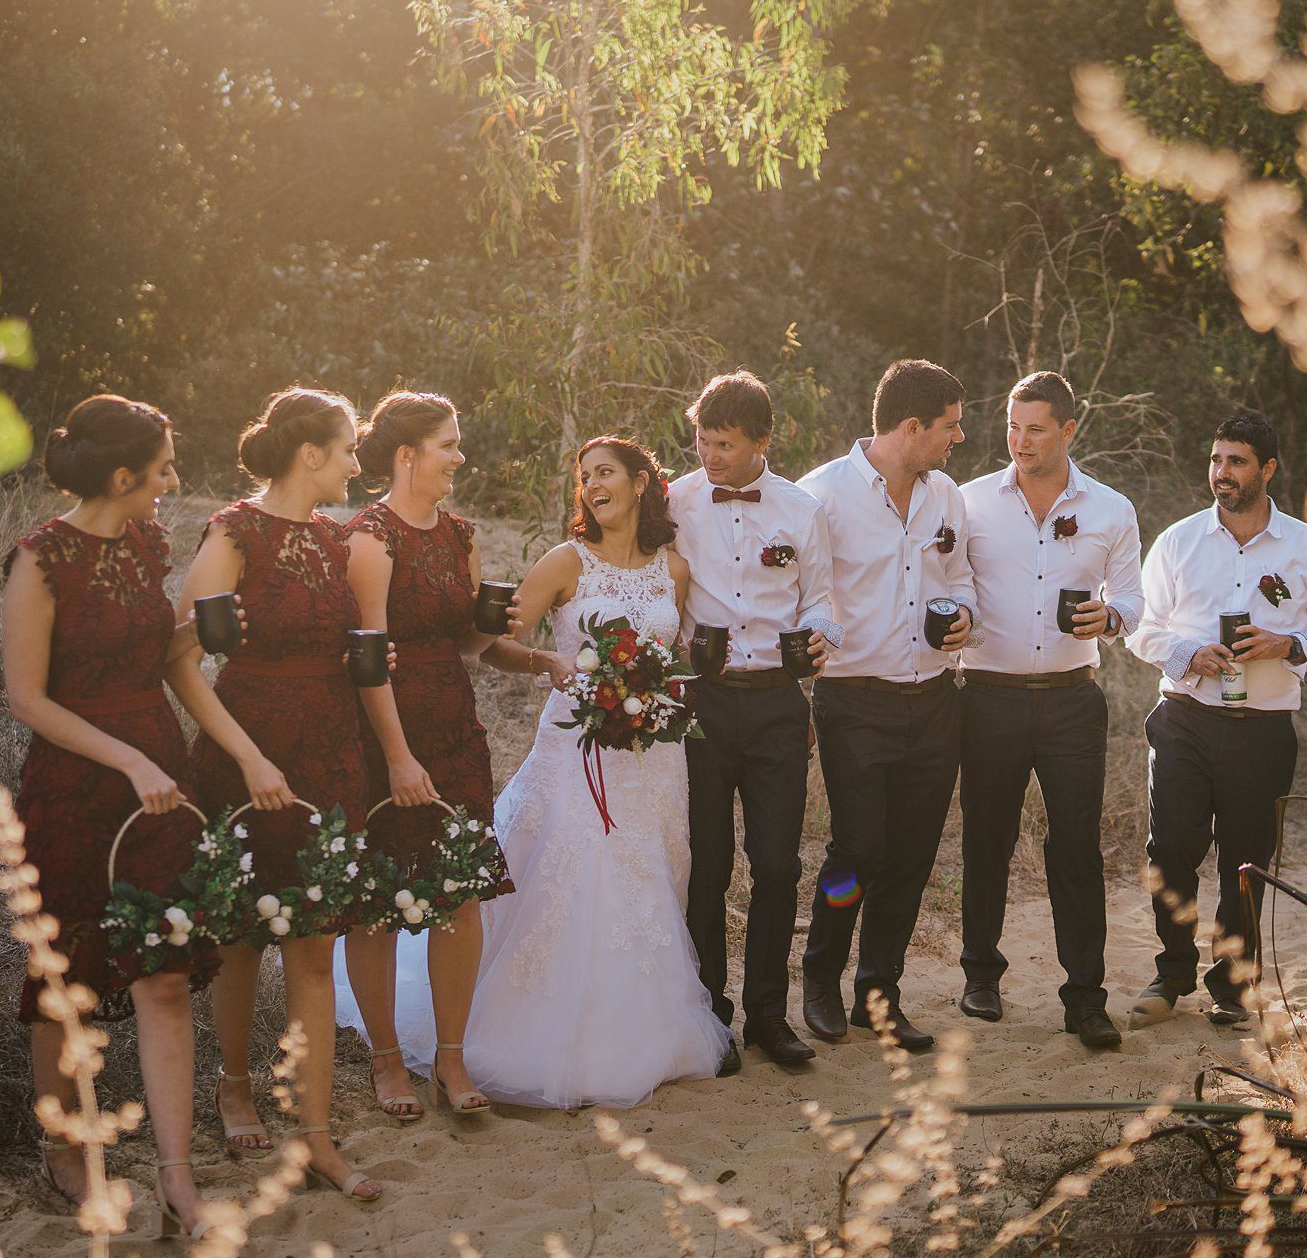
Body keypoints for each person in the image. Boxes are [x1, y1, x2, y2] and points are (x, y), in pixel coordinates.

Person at [397, 437, 733, 1107]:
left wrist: (676, 680)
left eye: (605, 474)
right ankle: (540, 1035)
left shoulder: (674, 568)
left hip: (653, 755)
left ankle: (643, 1032)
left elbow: (679, 656)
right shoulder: (564, 561)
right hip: (575, 747)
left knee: (649, 878)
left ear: (641, 483)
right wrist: (547, 664)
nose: (593, 486)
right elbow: (494, 640)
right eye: (585, 478)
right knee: (578, 873)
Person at [0, 394, 221, 1240]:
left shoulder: (145, 541)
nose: (171, 482)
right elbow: (26, 696)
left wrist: (199, 633)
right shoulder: (41, 559)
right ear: (123, 475)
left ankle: (178, 1181)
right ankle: (63, 1149)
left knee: (164, 974)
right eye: (163, 468)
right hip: (76, 782)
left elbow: (156, 652)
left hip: (161, 775)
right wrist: (125, 760)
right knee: (70, 980)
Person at [176, 387, 382, 1200]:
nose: (356, 465)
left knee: (315, 941)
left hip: (330, 755)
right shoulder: (234, 531)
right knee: (238, 933)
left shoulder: (338, 542)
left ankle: (317, 1137)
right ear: (311, 455)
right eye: (348, 449)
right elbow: (179, 659)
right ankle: (231, 1085)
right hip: (247, 751)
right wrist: (248, 756)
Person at [335, 393, 539, 1118]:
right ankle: (387, 1063)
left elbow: (465, 647)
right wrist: (396, 757)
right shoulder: (368, 539)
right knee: (378, 906)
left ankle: (451, 1060)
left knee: (459, 894)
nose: (459, 457)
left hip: (455, 730)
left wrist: (502, 632)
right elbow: (368, 662)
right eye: (448, 445)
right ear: (406, 455)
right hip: (384, 738)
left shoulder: (459, 534)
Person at [1123, 410, 1307, 1027]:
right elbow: (1140, 630)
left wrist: (1288, 645)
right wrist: (1187, 654)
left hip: (1264, 727)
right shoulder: (1178, 541)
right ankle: (1170, 974)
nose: (1220, 473)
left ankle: (1232, 986)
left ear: (1268, 469)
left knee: (1246, 861)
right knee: (1170, 849)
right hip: (1184, 716)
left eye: (1235, 461)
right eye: (1215, 459)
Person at [954, 371, 1144, 1050]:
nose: (1020, 440)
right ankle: (980, 975)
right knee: (986, 839)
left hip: (1072, 701)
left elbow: (1132, 596)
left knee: (1076, 849)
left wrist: (1111, 616)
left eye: (1035, 428)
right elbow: (950, 584)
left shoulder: (1112, 510)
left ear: (1068, 430)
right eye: (1012, 426)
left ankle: (1085, 997)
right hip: (988, 697)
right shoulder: (969, 502)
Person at [794, 359, 975, 1053]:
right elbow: (799, 600)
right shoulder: (822, 498)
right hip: (853, 701)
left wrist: (961, 616)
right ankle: (819, 979)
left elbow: (959, 578)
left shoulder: (946, 497)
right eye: (950, 428)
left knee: (911, 855)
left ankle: (881, 994)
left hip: (935, 700)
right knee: (859, 847)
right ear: (911, 427)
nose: (956, 440)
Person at [666, 372, 838, 1073]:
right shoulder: (674, 499)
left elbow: (820, 599)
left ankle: (769, 1012)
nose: (711, 457)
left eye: (727, 446)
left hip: (776, 705)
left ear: (764, 442)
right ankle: (710, 1014)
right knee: (706, 868)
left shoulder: (802, 510)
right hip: (701, 704)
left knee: (776, 864)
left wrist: (820, 637)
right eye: (704, 442)